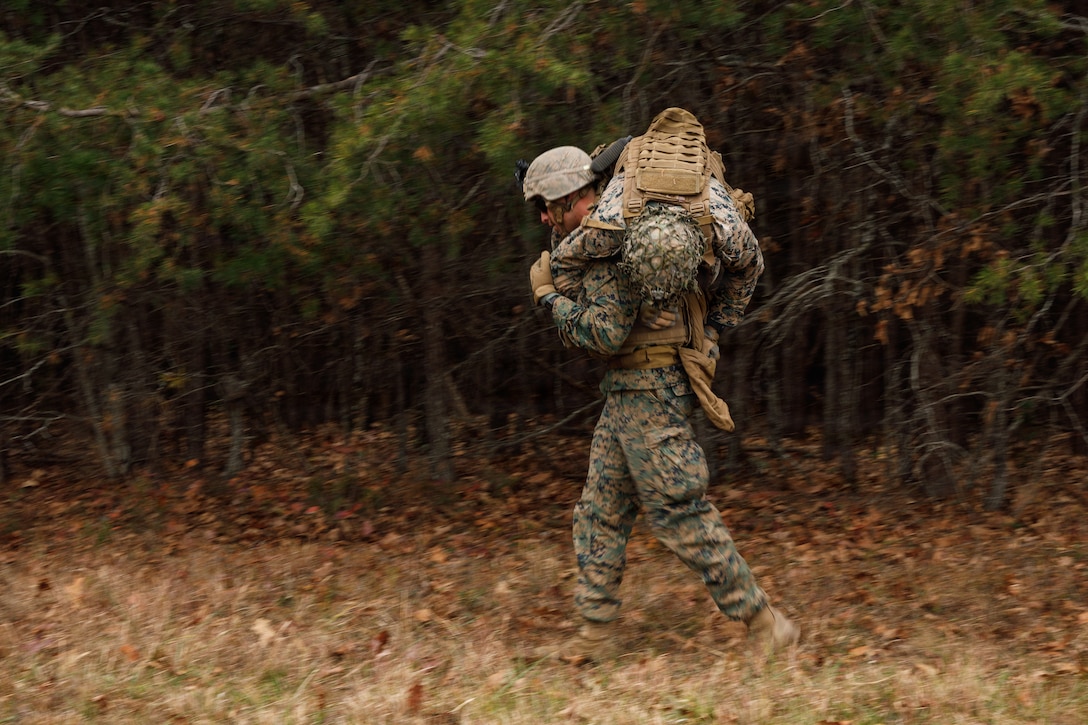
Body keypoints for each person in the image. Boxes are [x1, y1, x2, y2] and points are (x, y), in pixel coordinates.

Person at [521, 138, 799, 661]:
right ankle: (595, 635)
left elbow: (604, 334)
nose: (544, 221)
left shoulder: (606, 245)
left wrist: (549, 298)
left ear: (566, 200)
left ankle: (766, 625)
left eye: (545, 208)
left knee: (678, 512)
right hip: (630, 393)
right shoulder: (615, 230)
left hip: (648, 395)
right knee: (599, 512)